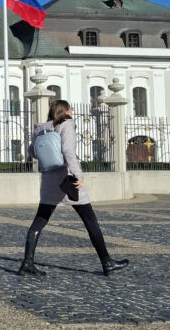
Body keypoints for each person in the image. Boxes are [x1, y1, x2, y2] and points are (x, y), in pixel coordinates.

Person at [19, 99, 129, 277]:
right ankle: (107, 263)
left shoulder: (39, 128)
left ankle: (27, 263)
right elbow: (69, 151)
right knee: (90, 220)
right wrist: (79, 175)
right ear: (65, 111)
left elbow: (32, 152)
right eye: (70, 109)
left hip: (48, 180)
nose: (72, 112)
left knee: (40, 220)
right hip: (67, 180)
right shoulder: (67, 125)